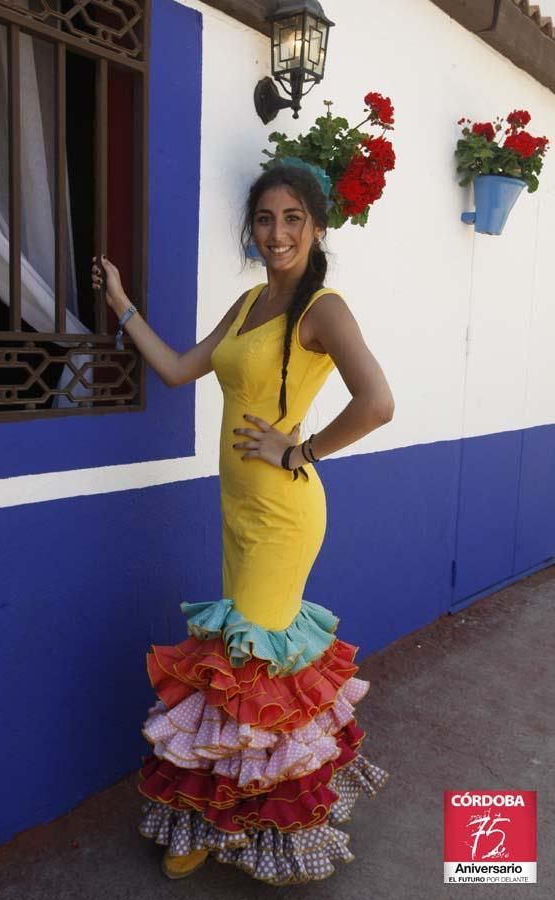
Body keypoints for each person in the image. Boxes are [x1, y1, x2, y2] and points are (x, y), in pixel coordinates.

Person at [91, 164, 394, 885]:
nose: (278, 232)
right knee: (244, 662)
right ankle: (231, 813)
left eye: (293, 218)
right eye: (265, 218)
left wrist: (301, 447)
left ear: (317, 227)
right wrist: (123, 305)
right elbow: (176, 369)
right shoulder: (249, 302)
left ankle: (270, 830)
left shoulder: (324, 308)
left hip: (284, 513)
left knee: (247, 670)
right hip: (239, 512)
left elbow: (377, 401)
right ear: (251, 229)